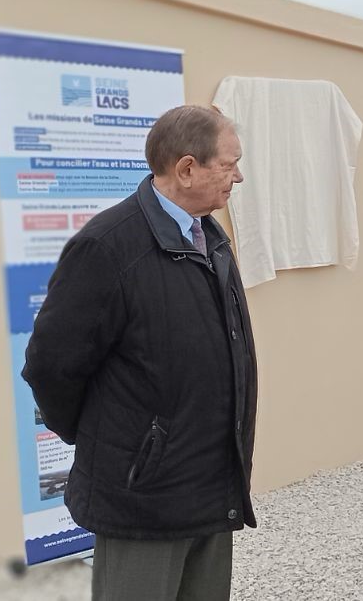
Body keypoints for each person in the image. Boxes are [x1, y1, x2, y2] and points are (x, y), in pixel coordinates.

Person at [21, 104, 256, 601]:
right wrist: (121, 444)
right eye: (229, 164)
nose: (238, 176)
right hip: (142, 499)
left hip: (213, 486)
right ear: (187, 168)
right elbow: (51, 365)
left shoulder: (210, 237)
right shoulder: (106, 248)